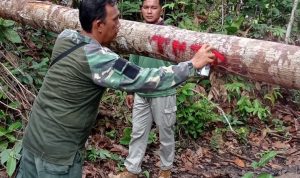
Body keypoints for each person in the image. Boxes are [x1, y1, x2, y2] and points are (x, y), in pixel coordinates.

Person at [15, 0, 216, 178]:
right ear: (99, 25)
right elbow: (144, 79)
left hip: (31, 143)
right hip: (57, 158)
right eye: (116, 20)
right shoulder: (99, 59)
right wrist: (191, 65)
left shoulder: (65, 37)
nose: (120, 26)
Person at [111, 1, 177, 178]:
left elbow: (178, 63)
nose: (149, 11)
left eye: (153, 7)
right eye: (146, 7)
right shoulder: (137, 31)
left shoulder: (170, 33)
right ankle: (132, 170)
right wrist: (131, 90)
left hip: (163, 91)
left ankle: (165, 170)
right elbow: (133, 62)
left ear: (160, 10)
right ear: (141, 10)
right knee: (138, 132)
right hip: (141, 91)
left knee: (166, 133)